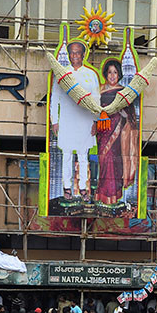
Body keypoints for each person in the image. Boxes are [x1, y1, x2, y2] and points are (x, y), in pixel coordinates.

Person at [49, 40, 99, 202]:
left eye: (78, 52)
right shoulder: (62, 75)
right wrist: (54, 121)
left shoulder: (91, 74)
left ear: (83, 55)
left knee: (84, 156)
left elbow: (96, 99)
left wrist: (95, 121)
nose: (75, 56)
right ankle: (66, 187)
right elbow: (54, 98)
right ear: (69, 55)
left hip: (85, 121)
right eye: (72, 53)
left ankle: (83, 188)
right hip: (66, 121)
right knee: (67, 155)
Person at [97, 58, 139, 210]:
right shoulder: (98, 90)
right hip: (102, 129)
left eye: (115, 72)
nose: (112, 76)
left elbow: (131, 115)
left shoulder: (124, 92)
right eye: (109, 72)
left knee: (114, 161)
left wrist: (122, 113)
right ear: (105, 74)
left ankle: (113, 196)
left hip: (118, 130)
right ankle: (102, 195)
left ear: (119, 74)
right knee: (103, 159)